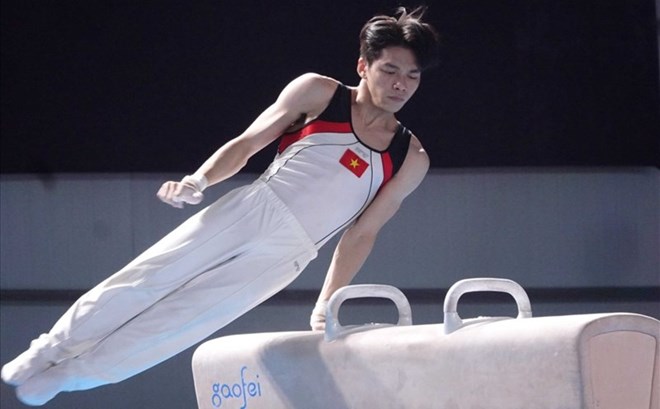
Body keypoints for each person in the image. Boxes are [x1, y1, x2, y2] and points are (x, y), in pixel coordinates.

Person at [2, 6, 439, 406]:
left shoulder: (409, 157)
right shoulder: (319, 93)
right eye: (390, 70)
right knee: (145, 280)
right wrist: (199, 180)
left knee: (177, 324)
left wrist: (326, 301)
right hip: (253, 208)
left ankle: (68, 376)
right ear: (363, 66)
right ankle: (49, 349)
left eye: (412, 76)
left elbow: (361, 233)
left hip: (288, 255)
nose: (400, 84)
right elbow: (247, 143)